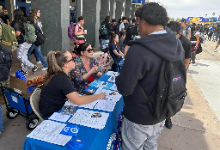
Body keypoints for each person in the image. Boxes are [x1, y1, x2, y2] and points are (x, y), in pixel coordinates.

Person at [115, 3, 184, 150]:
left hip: (138, 116)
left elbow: (124, 88)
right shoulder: (177, 44)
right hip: (163, 111)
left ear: (143, 21)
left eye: (138, 22)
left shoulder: (139, 49)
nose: (137, 26)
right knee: (151, 145)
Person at [39, 50, 106, 119]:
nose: (75, 60)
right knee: (85, 115)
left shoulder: (58, 74)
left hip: (52, 108)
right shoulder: (61, 78)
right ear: (65, 64)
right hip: (51, 114)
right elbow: (78, 100)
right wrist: (97, 96)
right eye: (72, 59)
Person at [166, 21, 191, 129]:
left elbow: (187, 61)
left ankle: (168, 117)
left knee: (172, 97)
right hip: (164, 73)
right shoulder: (164, 41)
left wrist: (179, 77)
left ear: (179, 34)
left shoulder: (185, 43)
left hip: (176, 75)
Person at [12, 9, 38, 74]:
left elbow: (17, 33)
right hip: (27, 42)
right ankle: (25, 70)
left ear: (16, 15)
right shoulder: (24, 21)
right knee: (24, 56)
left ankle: (33, 66)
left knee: (20, 57)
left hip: (21, 42)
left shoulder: (16, 22)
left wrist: (11, 35)